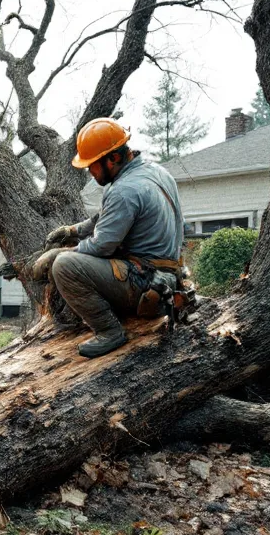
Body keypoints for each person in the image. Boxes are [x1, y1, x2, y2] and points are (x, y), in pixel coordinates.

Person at [41, 117, 184, 358]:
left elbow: (101, 247)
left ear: (113, 158)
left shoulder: (124, 191)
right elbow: (105, 218)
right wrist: (72, 231)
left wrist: (64, 253)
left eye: (93, 165)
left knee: (64, 267)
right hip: (166, 278)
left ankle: (109, 331)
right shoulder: (156, 173)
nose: (90, 172)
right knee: (71, 259)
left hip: (146, 284)